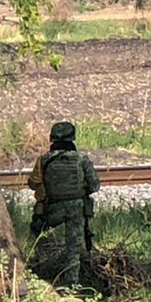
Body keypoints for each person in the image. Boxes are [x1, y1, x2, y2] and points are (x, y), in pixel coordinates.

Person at [28, 121, 101, 290]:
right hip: (76, 208)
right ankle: (71, 284)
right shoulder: (82, 159)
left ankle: (40, 273)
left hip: (51, 207)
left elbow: (33, 183)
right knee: (73, 248)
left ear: (52, 139)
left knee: (38, 234)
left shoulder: (44, 160)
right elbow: (94, 186)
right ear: (72, 138)